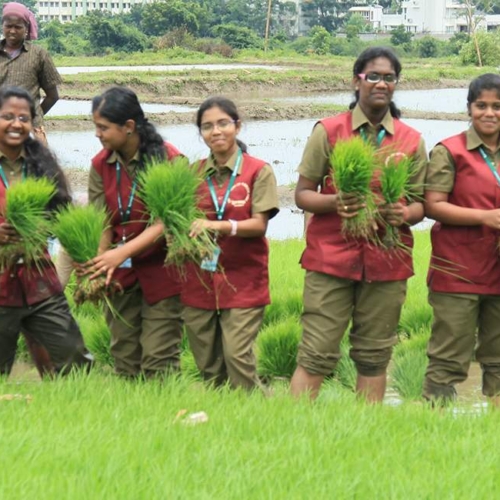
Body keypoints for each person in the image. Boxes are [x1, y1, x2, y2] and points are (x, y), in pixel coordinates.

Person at [290, 46, 427, 403]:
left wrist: (405, 214)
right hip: (330, 259)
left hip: (387, 262)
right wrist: (335, 202)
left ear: (396, 84)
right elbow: (303, 194)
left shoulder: (411, 140)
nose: (381, 84)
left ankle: (365, 432)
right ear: (357, 81)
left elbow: (422, 204)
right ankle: (291, 428)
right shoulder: (330, 131)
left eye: (389, 78)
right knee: (316, 351)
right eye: (373, 76)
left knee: (374, 355)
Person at [182, 96, 279, 391]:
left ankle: (259, 418)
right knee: (209, 367)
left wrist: (216, 225)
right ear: (201, 132)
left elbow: (259, 224)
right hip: (199, 280)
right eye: (207, 126)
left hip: (243, 280)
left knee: (237, 357)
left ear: (237, 126)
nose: (216, 131)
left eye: (223, 123)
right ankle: (224, 424)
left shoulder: (258, 171)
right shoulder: (192, 174)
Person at [86, 86, 183, 379]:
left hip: (162, 271)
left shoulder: (169, 160)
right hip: (121, 275)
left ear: (128, 127)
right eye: (96, 127)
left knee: (159, 359)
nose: (98, 134)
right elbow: (102, 220)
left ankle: (166, 418)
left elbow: (166, 221)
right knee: (125, 357)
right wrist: (101, 262)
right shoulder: (100, 164)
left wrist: (121, 253)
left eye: (103, 128)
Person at [0, 85, 93, 376]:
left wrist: (84, 261)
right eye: (7, 116)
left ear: (32, 123)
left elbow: (64, 216)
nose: (16, 124)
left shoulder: (42, 165)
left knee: (74, 359)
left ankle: (72, 414)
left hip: (39, 280)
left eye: (23, 118)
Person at [423, 73, 500, 405]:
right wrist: (486, 217)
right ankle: (434, 430)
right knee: (448, 358)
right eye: (481, 105)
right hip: (459, 272)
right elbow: (433, 206)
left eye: (498, 106)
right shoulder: (449, 151)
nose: (490, 113)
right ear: (469, 108)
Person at [0, 2, 62, 144]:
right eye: (8, 26)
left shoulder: (39, 54)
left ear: (26, 28)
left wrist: (35, 115)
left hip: (32, 129)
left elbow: (53, 96)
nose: (13, 31)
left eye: (18, 27)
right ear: (2, 26)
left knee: (37, 165)